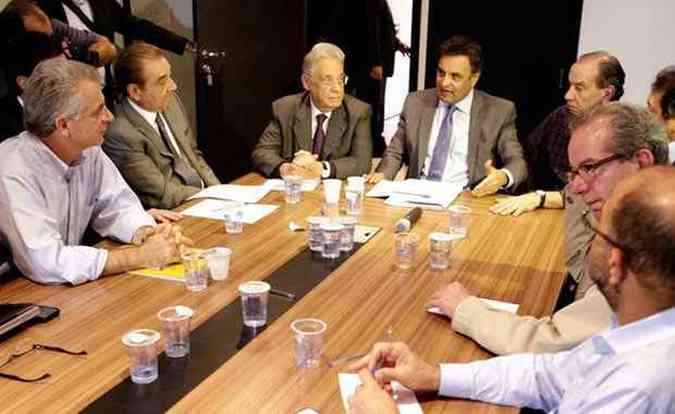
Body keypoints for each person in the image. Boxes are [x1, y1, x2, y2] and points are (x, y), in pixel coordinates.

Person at [350, 165, 675, 413]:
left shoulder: (636, 387)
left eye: (597, 231)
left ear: (616, 264)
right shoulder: (637, 332)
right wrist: (435, 376)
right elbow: (547, 376)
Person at [427, 103, 669, 355]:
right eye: (574, 172)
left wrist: (466, 310)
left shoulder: (655, 242)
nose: (576, 187)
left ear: (641, 161)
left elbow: (551, 343)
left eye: (589, 168)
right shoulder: (637, 217)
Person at [0, 58, 189, 285]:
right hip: (18, 291)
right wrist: (137, 257)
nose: (109, 117)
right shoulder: (12, 168)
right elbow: (45, 261)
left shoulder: (89, 149)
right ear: (64, 126)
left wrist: (148, 233)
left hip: (69, 287)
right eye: (98, 111)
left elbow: (117, 205)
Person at [367, 35, 527, 198]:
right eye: (441, 73)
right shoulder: (416, 102)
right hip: (415, 195)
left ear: (474, 78)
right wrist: (383, 175)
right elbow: (395, 152)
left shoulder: (498, 111)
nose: (444, 83)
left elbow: (517, 162)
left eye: (455, 76)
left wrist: (504, 176)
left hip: (466, 200)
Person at [491, 51, 625, 216]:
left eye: (579, 88)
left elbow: (601, 196)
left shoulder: (624, 135)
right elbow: (527, 154)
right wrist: (506, 175)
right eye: (570, 86)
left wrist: (541, 198)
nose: (567, 95)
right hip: (546, 213)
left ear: (607, 93)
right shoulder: (562, 116)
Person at [103, 42, 220, 209]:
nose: (173, 86)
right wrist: (210, 197)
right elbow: (161, 194)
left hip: (206, 201)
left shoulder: (171, 103)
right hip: (173, 214)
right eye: (162, 82)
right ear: (135, 91)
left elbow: (194, 156)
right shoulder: (120, 133)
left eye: (170, 77)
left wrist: (221, 191)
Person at [252, 42, 373, 179]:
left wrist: (322, 168)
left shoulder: (358, 112)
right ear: (306, 82)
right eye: (328, 80)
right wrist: (285, 168)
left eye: (340, 79)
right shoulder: (285, 109)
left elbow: (362, 162)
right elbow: (262, 152)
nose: (337, 89)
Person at [321, 0, 410, 156]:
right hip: (369, 66)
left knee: (374, 104)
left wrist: (397, 44)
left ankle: (373, 140)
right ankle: (370, 143)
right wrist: (374, 63)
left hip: (373, 64)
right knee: (370, 104)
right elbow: (369, 29)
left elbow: (383, 26)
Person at [0, 0, 117, 67]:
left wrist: (85, 58)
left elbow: (107, 46)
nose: (52, 41)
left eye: (52, 35)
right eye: (44, 40)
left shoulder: (54, 26)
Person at [0, 31, 63, 142]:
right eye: (55, 74)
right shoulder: (6, 132)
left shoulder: (77, 105)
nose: (67, 79)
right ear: (24, 83)